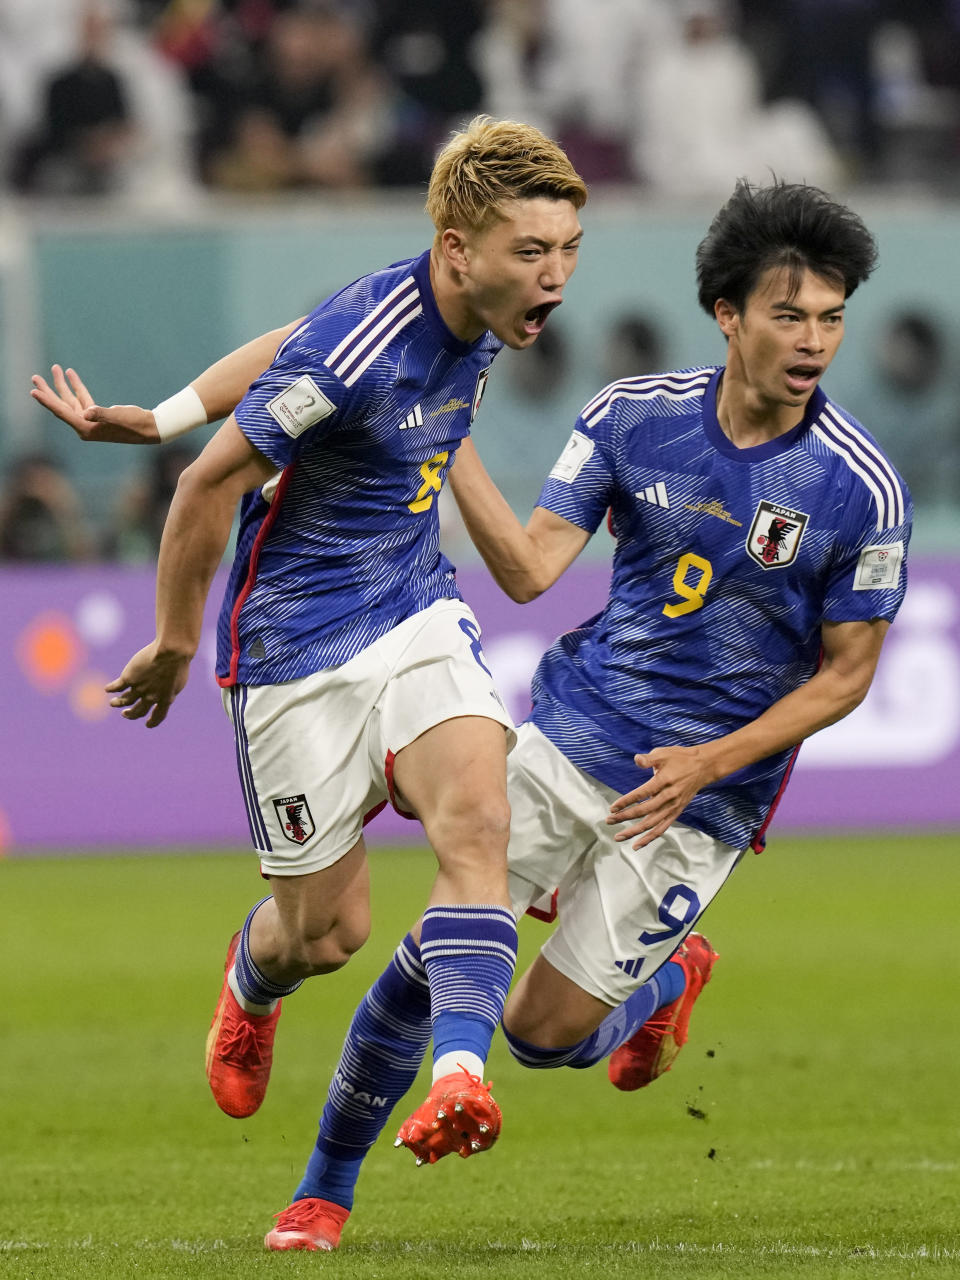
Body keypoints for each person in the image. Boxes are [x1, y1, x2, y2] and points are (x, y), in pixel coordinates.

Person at [34, 178, 911, 1253]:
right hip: (579, 730)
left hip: (702, 797)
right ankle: (323, 1191)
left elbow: (846, 675)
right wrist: (451, 450)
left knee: (543, 1033)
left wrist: (710, 760)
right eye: (790, 314)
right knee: (420, 953)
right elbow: (535, 567)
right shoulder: (631, 419)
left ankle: (666, 979)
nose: (814, 339)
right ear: (728, 316)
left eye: (830, 317)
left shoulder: (859, 487)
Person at [33, 116, 587, 1230]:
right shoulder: (367, 338)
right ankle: (253, 974)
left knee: (477, 821)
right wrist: (178, 636)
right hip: (289, 648)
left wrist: (171, 405)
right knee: (324, 933)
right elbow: (206, 489)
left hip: (415, 606)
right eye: (533, 252)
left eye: (568, 249)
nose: (557, 277)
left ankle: (458, 1077)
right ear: (456, 244)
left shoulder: (481, 314)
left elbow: (283, 335)